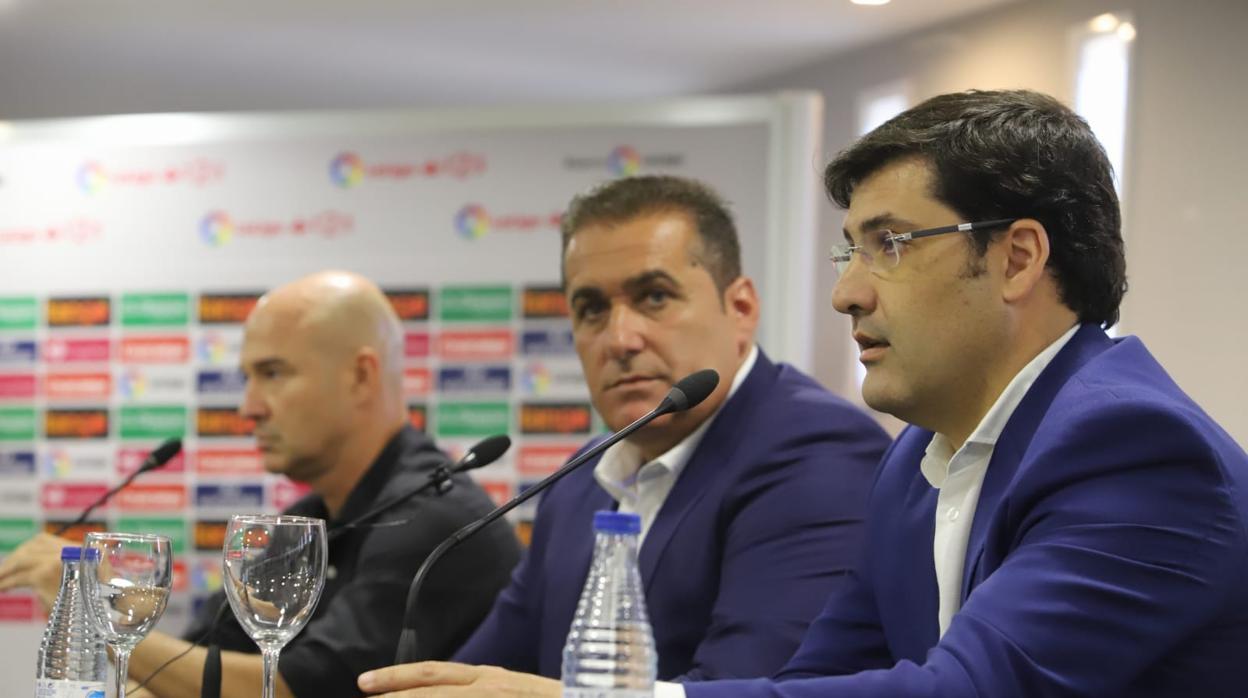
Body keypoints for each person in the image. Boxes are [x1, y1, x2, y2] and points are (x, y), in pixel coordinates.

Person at [362, 90, 1248, 698]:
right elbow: (812, 683)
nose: (846, 293)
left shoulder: (1135, 449)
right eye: (848, 252)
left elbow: (971, 690)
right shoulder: (918, 459)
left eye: (889, 245)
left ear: (1017, 258)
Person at [358, 175, 891, 697]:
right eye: (591, 309)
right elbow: (484, 673)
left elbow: (755, 687)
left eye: (655, 297)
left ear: (741, 309)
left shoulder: (816, 456)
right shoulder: (578, 482)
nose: (619, 339)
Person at [0, 270, 523, 698]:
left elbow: (300, 691)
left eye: (273, 373)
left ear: (361, 376)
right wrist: (122, 611)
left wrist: (99, 610)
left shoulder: (437, 520)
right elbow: (190, 665)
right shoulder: (305, 522)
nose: (248, 407)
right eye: (247, 377)